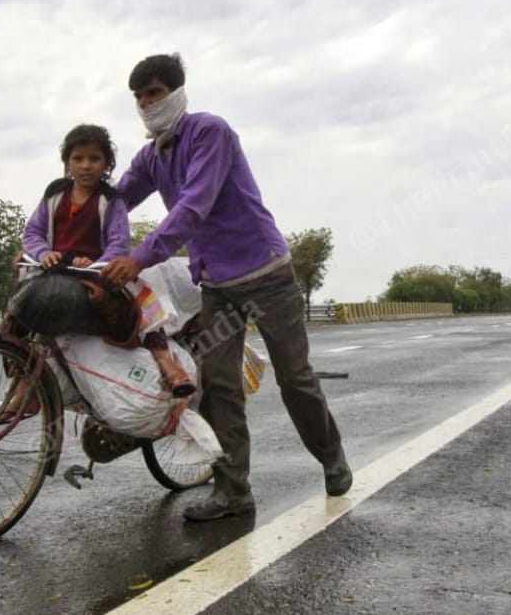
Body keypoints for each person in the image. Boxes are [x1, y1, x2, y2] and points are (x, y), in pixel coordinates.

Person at [100, 53, 352, 521]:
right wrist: (66, 225)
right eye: (138, 97)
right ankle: (234, 491)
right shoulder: (152, 156)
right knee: (217, 385)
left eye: (153, 93)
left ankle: (332, 457)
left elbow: (193, 207)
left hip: (266, 275)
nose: (145, 104)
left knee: (294, 378)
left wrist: (137, 258)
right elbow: (114, 199)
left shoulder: (210, 132)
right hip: (217, 285)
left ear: (176, 92)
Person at [2, 123, 193, 424]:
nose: (86, 165)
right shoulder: (54, 195)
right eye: (78, 158)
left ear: (106, 165)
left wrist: (96, 263)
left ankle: (169, 366)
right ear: (68, 162)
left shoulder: (111, 201)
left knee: (142, 307)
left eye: (94, 159)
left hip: (97, 275)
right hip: (55, 274)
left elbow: (118, 243)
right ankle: (24, 386)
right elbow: (33, 233)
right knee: (20, 319)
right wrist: (42, 254)